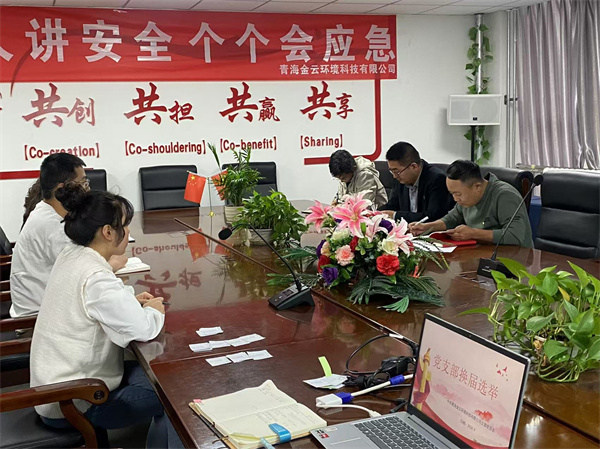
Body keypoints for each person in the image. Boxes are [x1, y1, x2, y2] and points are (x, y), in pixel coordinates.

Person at [30, 186, 179, 448]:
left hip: (54, 389)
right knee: (174, 393)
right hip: (75, 401)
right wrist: (155, 308)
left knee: (159, 375)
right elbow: (143, 329)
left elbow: (95, 304)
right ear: (108, 232)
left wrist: (130, 300)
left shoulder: (72, 254)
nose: (128, 231)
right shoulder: (96, 277)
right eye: (125, 225)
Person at [10, 153, 125, 317]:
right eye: (83, 183)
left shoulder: (47, 212)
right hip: (38, 319)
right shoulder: (51, 225)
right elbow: (82, 275)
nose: (88, 189)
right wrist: (111, 263)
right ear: (62, 189)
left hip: (50, 307)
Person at [410, 160, 533, 248]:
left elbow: (515, 235)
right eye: (452, 193)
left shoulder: (505, 195)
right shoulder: (467, 198)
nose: (455, 199)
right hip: (482, 253)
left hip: (513, 258)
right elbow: (452, 218)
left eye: (458, 194)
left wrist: (473, 233)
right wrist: (427, 227)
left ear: (477, 187)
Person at [379, 141, 454, 222]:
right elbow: (392, 206)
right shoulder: (400, 178)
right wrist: (374, 213)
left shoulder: (437, 179)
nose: (394, 176)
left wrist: (395, 215)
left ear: (414, 166)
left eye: (396, 171)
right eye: (392, 171)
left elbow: (433, 216)